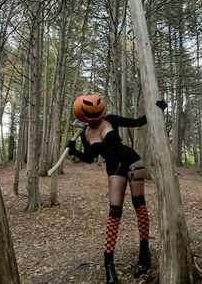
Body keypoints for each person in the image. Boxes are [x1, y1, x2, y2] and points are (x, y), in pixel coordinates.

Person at [67, 94, 167, 284]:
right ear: (83, 116)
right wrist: (74, 151)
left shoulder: (111, 120)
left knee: (140, 207)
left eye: (97, 111)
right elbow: (90, 158)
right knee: (114, 213)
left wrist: (157, 109)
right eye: (90, 114)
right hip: (114, 169)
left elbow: (138, 122)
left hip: (133, 162)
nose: (95, 116)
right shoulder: (85, 134)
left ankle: (144, 256)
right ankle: (109, 267)